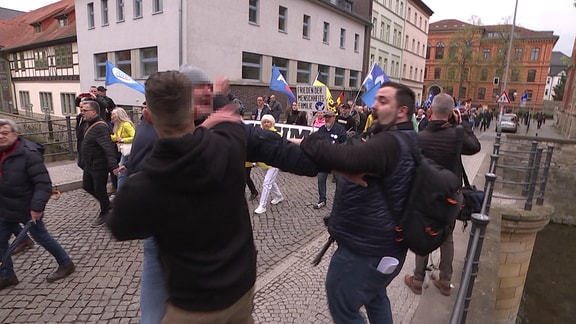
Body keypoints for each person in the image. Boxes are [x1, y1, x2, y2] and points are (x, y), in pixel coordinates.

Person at [106, 70, 256, 323]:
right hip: (240, 289)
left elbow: (120, 226)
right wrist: (218, 99)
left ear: (147, 116)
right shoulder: (227, 146)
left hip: (192, 303)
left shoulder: (140, 189)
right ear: (194, 112)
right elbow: (232, 127)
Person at [299, 82, 418, 323]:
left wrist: (309, 141)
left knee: (342, 304)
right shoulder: (408, 138)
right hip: (385, 249)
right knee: (374, 295)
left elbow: (348, 159)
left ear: (402, 111)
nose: (374, 104)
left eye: (383, 101)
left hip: (365, 250)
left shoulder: (391, 142)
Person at [404, 93, 481, 297]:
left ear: (430, 111)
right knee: (446, 236)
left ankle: (418, 279)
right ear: (451, 113)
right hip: (451, 197)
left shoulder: (420, 137)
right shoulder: (456, 134)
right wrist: (462, 124)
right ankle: (445, 279)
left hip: (426, 196)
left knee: (425, 232)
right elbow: (475, 146)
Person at [0, 119, 75, 291]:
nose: (1, 137)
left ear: (15, 134)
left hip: (27, 207)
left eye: (5, 133)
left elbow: (43, 184)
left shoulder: (29, 153)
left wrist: (37, 208)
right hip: (4, 207)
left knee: (42, 237)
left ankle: (66, 263)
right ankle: (7, 275)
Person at [78, 100, 119, 227]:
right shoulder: (87, 123)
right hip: (89, 164)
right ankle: (107, 203)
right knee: (87, 186)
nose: (82, 113)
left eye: (85, 111)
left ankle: (105, 213)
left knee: (100, 190)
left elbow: (108, 148)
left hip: (99, 165)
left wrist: (114, 166)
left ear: (94, 112)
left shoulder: (100, 126)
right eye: (81, 110)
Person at [313, 110, 346, 209]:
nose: (327, 119)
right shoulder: (321, 129)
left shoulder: (340, 129)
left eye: (329, 117)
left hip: (336, 160)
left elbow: (344, 144)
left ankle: (340, 202)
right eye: (325, 117)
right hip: (324, 160)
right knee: (321, 179)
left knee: (339, 181)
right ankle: (322, 200)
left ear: (334, 118)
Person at [254, 115, 285, 214]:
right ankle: (279, 196)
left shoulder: (277, 134)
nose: (266, 124)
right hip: (263, 162)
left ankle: (262, 205)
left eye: (268, 122)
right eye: (264, 122)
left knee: (266, 183)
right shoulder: (259, 133)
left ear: (272, 123)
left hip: (274, 162)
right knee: (271, 181)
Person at [110, 107, 135, 190]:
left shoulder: (126, 124)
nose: (111, 116)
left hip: (128, 150)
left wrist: (123, 140)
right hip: (123, 151)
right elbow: (116, 137)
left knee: (122, 171)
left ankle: (119, 191)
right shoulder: (118, 125)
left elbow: (134, 136)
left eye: (113, 114)